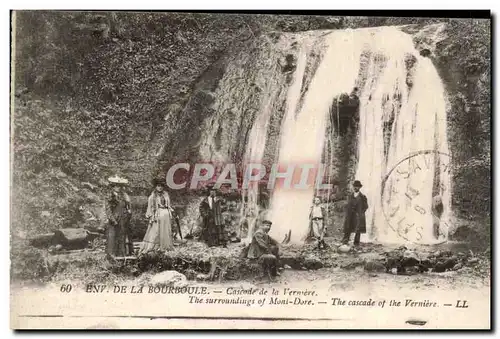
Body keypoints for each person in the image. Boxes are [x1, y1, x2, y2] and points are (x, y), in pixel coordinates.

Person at [139, 178, 174, 254]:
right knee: (156, 230)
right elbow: (150, 207)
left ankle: (165, 247)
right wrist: (151, 216)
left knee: (165, 230)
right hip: (157, 214)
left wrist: (170, 211)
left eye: (161, 186)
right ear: (155, 187)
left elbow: (168, 205)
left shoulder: (166, 194)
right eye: (158, 186)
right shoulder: (152, 197)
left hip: (166, 214)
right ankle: (154, 247)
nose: (160, 187)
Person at [105, 175, 132, 257]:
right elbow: (108, 210)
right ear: (113, 186)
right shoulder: (109, 196)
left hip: (123, 219)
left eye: (119, 186)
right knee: (112, 238)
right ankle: (111, 256)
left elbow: (128, 207)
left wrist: (128, 214)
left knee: (122, 237)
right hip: (114, 219)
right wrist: (113, 220)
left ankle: (121, 255)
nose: (118, 187)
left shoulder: (124, 196)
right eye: (116, 186)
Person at [342, 180, 368, 246]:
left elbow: (366, 206)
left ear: (359, 187)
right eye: (355, 186)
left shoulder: (363, 197)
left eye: (357, 186)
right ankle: (345, 241)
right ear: (353, 187)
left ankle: (356, 243)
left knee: (357, 229)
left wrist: (361, 213)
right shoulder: (350, 196)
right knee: (348, 227)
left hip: (357, 215)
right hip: (350, 215)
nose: (356, 188)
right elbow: (347, 205)